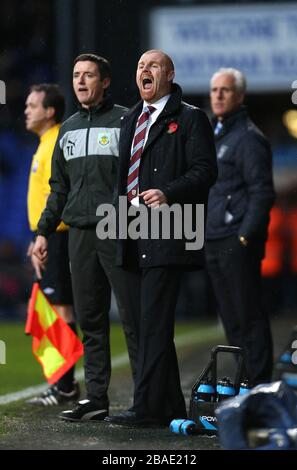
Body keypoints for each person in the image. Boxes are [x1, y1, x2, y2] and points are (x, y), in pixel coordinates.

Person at [106, 49, 217, 426]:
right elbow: (122, 178)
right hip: (131, 229)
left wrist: (168, 192)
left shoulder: (190, 118)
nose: (144, 71)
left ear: (169, 74)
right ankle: (168, 405)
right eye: (140, 66)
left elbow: (205, 171)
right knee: (143, 323)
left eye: (153, 65)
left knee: (154, 321)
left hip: (169, 228)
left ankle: (146, 407)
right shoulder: (130, 120)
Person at [32, 54, 138, 421]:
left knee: (132, 316)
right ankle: (96, 398)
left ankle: (145, 399)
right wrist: (44, 232)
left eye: (88, 75)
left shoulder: (127, 120)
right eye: (76, 75)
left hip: (119, 229)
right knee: (91, 319)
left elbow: (138, 179)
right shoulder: (69, 128)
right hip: (79, 234)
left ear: (105, 81)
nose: (80, 81)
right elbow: (58, 189)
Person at [205, 68, 275, 385]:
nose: (218, 95)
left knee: (248, 316)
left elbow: (262, 191)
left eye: (226, 90)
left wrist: (246, 235)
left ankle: (259, 383)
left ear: (240, 96)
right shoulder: (216, 133)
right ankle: (245, 379)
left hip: (236, 240)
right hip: (215, 238)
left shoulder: (248, 137)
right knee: (232, 319)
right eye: (214, 90)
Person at [25, 83, 80, 406]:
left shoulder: (56, 141)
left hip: (59, 236)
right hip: (48, 236)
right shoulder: (45, 142)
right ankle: (61, 384)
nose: (26, 110)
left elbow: (61, 194)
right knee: (54, 309)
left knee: (61, 308)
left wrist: (46, 236)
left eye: (33, 105)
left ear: (50, 111)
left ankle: (66, 387)